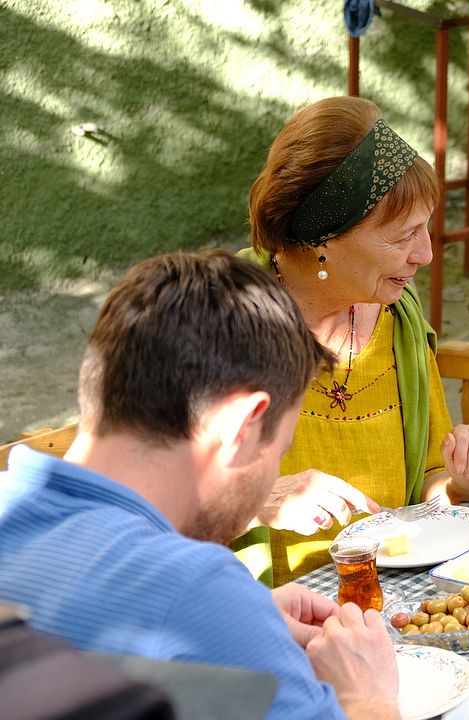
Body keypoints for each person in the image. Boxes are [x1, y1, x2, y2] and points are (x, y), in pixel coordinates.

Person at [0, 251, 401, 719]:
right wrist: (367, 698)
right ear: (242, 427)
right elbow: (172, 599)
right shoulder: (195, 586)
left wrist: (245, 616)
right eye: (281, 450)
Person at [237, 96, 469, 584]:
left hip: (395, 600)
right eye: (402, 236)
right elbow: (146, 501)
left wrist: (464, 481)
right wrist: (255, 498)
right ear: (324, 238)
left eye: (425, 227)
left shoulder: (397, 315)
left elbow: (429, 480)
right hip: (265, 619)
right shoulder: (217, 322)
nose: (425, 254)